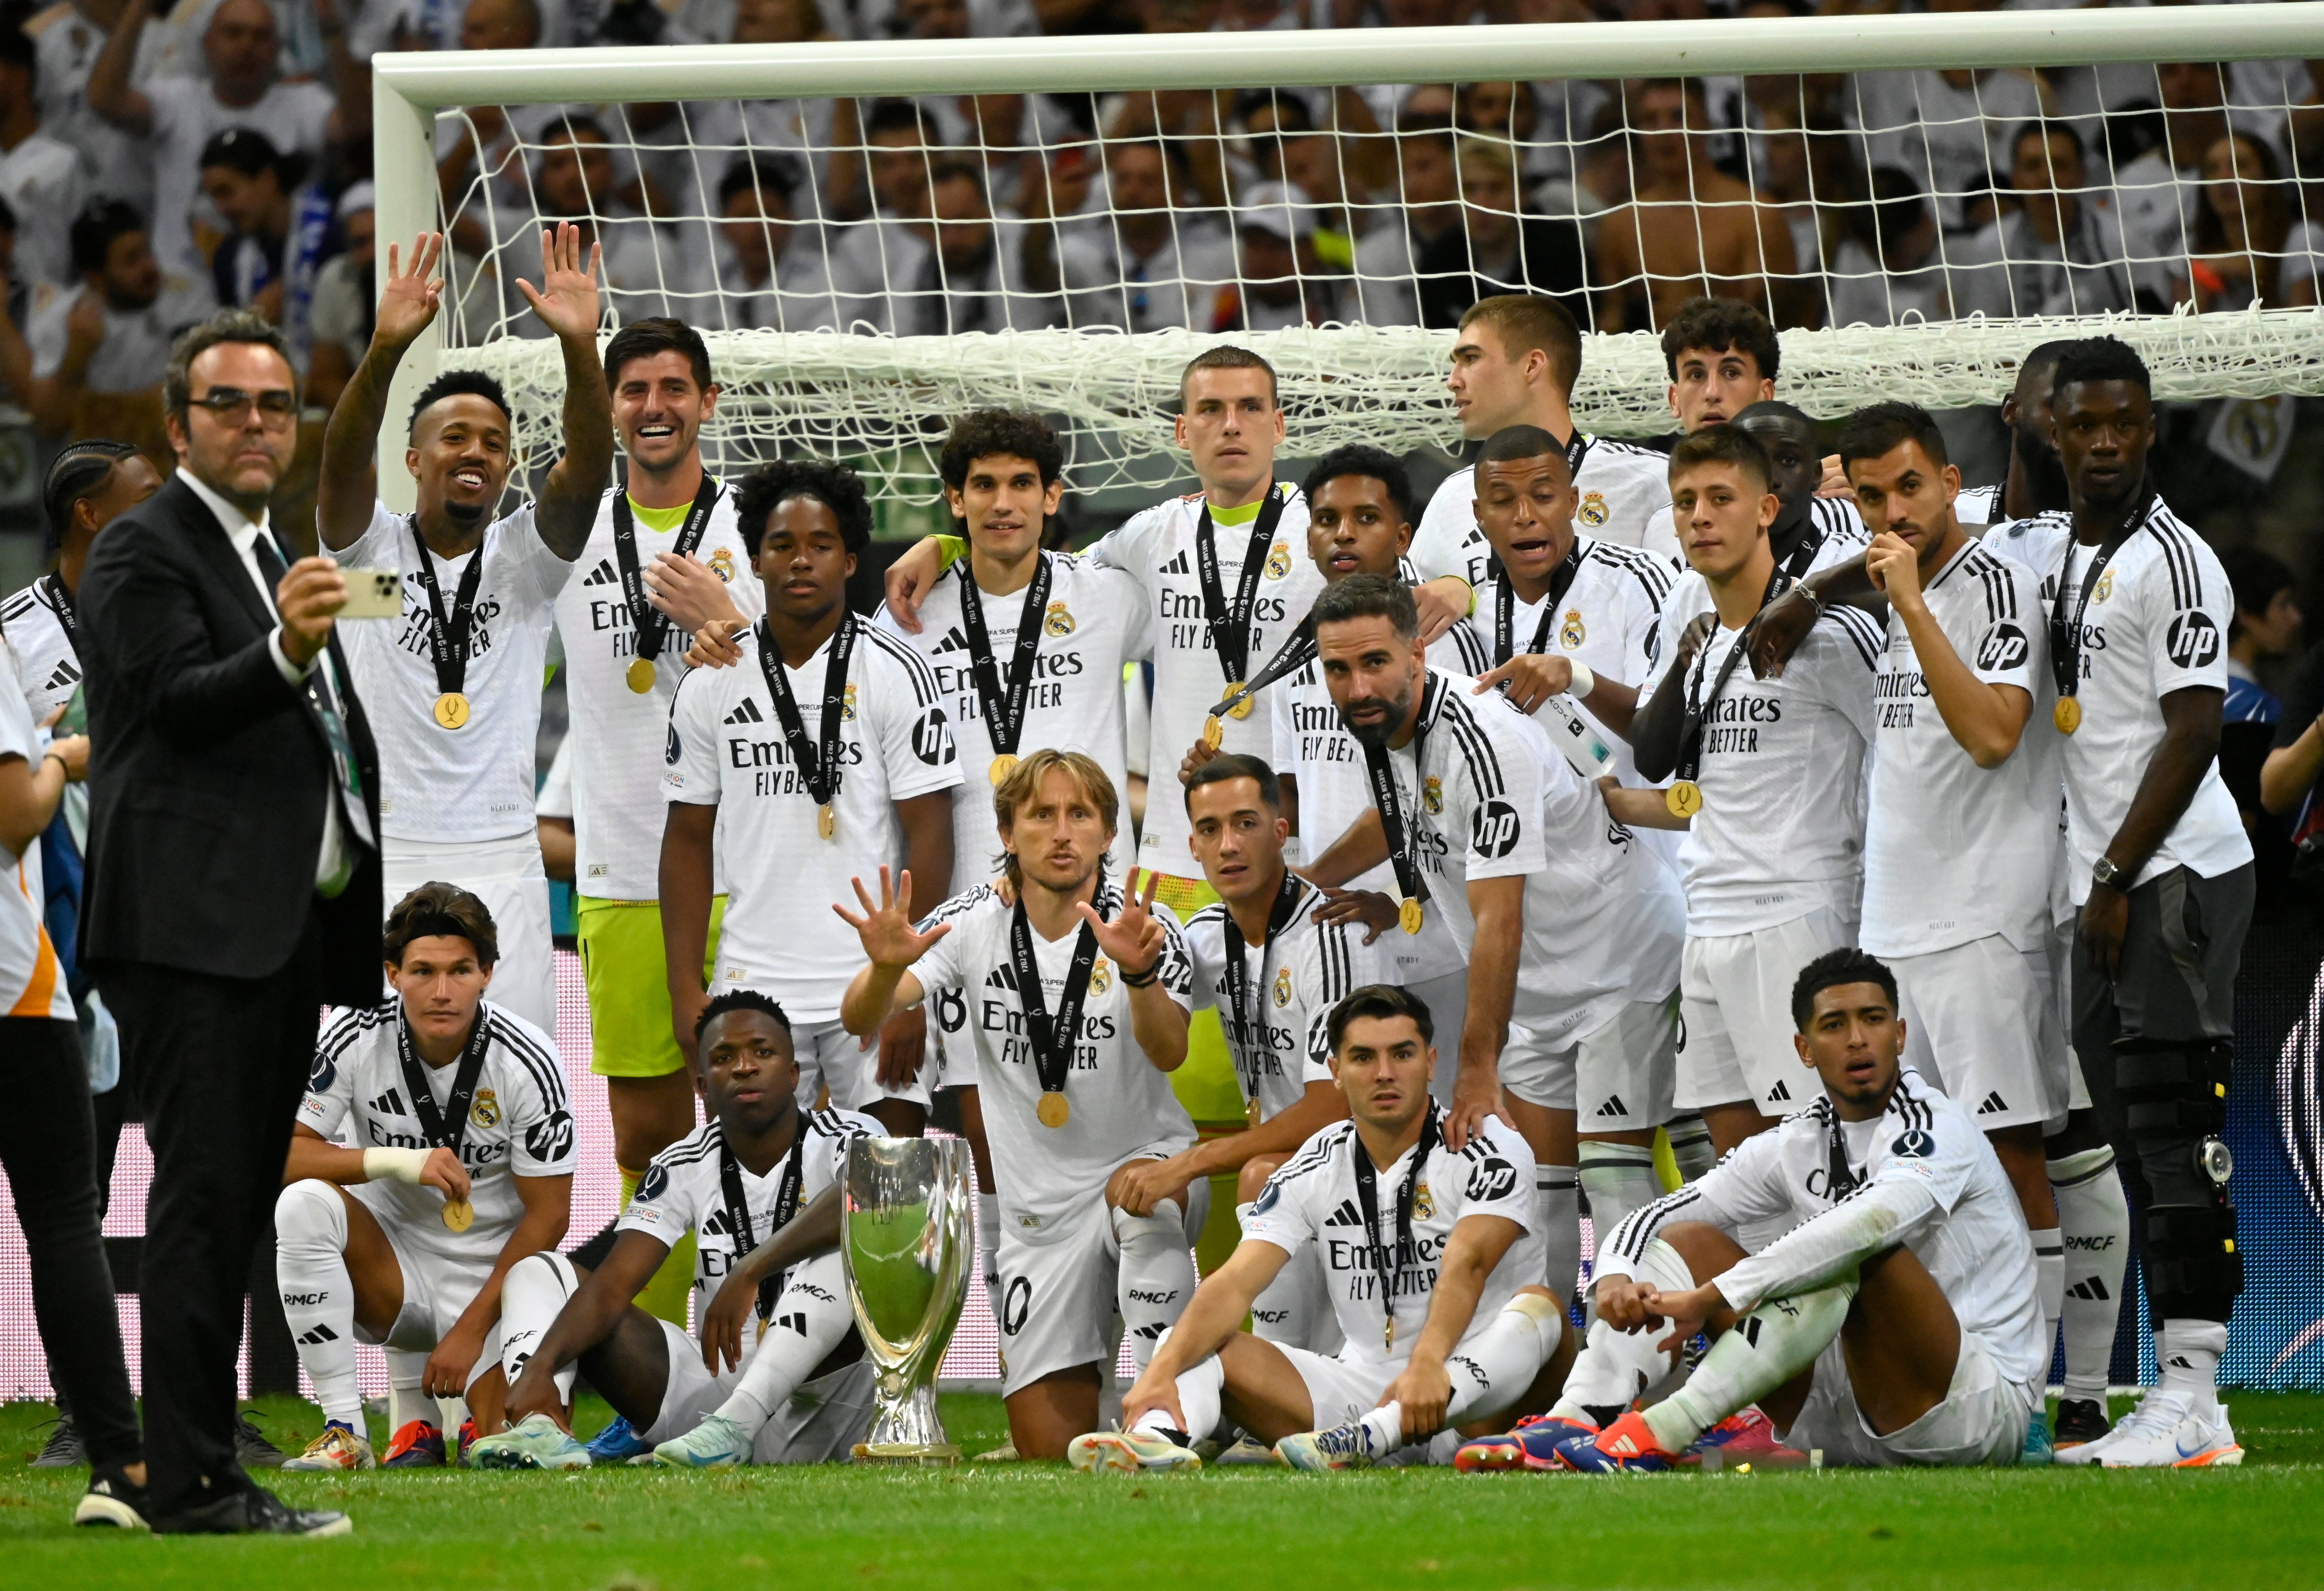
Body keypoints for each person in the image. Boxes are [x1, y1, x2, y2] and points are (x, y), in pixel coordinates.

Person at [78, 307, 378, 1536]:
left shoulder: (265, 547)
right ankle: (190, 1481)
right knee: (202, 1202)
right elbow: (179, 704)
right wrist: (292, 645)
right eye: (228, 404)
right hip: (192, 933)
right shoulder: (141, 548)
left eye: (273, 404)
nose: (257, 423)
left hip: (267, 932)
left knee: (230, 1198)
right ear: (177, 423)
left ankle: (192, 1462)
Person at [1302, 575, 1684, 1311]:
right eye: (1337, 670)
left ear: (1417, 651)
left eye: (1375, 662)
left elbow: (1499, 915)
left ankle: (1642, 1388)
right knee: (1539, 1198)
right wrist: (1312, 881)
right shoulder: (1383, 724)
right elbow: (1399, 817)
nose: (1356, 686)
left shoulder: (1484, 736)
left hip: (1621, 964)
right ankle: (1560, 1378)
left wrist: (1477, 1066)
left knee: (1610, 1177)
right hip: (1541, 994)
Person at [834, 750, 1197, 1461]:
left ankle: (1161, 1413)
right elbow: (860, 1018)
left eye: (1080, 815)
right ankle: (1104, 1412)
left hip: (1150, 1167)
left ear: (1105, 833)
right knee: (1045, 1447)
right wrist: (881, 970)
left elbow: (1171, 1051)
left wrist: (1139, 972)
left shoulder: (1145, 924)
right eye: (1041, 815)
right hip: (1040, 1222)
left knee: (1140, 1200)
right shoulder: (971, 920)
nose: (1061, 833)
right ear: (1006, 831)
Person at [1551, 950, 2046, 1472]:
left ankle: (1664, 1429)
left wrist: (1713, 1297)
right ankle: (1577, 1417)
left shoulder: (1939, 1128)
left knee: (1857, 1249)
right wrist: (1611, 1277)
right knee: (1690, 1240)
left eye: (1873, 1020)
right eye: (1835, 1025)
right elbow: (1658, 1214)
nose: (1857, 1039)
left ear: (1900, 1036)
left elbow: (1867, 1224)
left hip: (1968, 1414)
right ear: (1804, 1049)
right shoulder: (1797, 1138)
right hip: (1837, 1420)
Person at [2033, 339, 2254, 1468]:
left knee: (2176, 1132)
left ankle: (2188, 1397)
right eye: (2086, 424)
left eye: (2125, 421)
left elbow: (2190, 731)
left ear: (2150, 427)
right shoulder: (2070, 551)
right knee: (2135, 1136)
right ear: (2053, 430)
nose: (2107, 440)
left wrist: (2114, 875)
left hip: (2170, 871)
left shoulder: (2178, 560)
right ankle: (2181, 1396)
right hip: (2106, 881)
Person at [872, 406, 1148, 1304]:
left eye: (1022, 485)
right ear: (952, 499)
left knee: (1111, 1125)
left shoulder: (1108, 593)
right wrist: (912, 946)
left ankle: (1131, 1361)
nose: (1003, 503)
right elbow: (894, 791)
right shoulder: (904, 617)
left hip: (1099, 913)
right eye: (982, 486)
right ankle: (1021, 1340)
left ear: (1054, 496)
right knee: (989, 1144)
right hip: (970, 919)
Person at [1840, 401, 2070, 1461]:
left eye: (1911, 488)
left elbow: (1989, 735)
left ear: (1949, 478)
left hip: (1983, 918)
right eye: (1874, 494)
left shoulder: (1995, 581)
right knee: (1921, 1170)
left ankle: (2053, 1393)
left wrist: (1912, 604)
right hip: (1893, 921)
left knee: (2013, 1155)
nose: (1895, 512)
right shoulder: (1875, 585)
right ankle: (1963, 1381)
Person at [1070, 984, 1565, 1473]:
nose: (1385, 1074)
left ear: (1432, 1063)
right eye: (1364, 1058)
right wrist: (1160, 1373)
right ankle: (1155, 1439)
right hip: (1362, 1398)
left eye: (1403, 1054)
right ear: (1335, 1072)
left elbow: (1469, 1263)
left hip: (1478, 1405)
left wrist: (1428, 1366)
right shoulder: (1318, 1162)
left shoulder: (1487, 1143)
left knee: (1542, 1310)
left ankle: (1379, 1435)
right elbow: (1236, 1283)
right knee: (1185, 1340)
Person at [313, 226, 612, 1033]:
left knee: (518, 1086)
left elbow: (586, 473)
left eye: (494, 443)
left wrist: (581, 349)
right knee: (377, 1097)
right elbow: (340, 467)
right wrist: (383, 349)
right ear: (413, 460)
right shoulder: (370, 562)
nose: (476, 452)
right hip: (387, 847)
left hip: (502, 856)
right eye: (455, 438)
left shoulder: (524, 565)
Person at [551, 315, 760, 1331]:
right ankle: (674, 1357)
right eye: (633, 389)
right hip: (624, 872)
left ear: (708, 401)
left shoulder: (757, 527)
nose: (654, 407)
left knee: (764, 1117)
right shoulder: (566, 531)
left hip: (752, 874)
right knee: (646, 1126)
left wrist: (739, 618)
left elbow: (824, 671)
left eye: (675, 387)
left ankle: (781, 1347)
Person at [663, 458, 961, 1135]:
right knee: (758, 1200)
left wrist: (913, 985)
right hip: (752, 983)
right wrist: (686, 988)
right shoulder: (713, 676)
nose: (801, 562)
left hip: (874, 981)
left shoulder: (895, 669)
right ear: (756, 560)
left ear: (850, 560)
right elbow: (684, 840)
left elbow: (932, 832)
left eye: (820, 545)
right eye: (782, 546)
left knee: (890, 1197)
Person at [1455, 424, 1705, 1224]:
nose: (1526, 516)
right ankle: (1565, 1357)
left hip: (1629, 926)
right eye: (1504, 501)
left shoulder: (1639, 582)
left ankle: (1670, 1342)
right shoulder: (1453, 610)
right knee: (1541, 1195)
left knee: (1622, 1176)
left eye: (1542, 496)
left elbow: (1665, 743)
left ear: (1574, 501)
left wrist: (1577, 676)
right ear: (1478, 513)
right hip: (1527, 944)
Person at [469, 991, 881, 1471]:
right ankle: (540, 1428)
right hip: (705, 1412)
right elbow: (612, 1287)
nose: (745, 1067)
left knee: (849, 1242)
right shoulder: (682, 1162)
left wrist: (752, 1268)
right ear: (703, 1084)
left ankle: (739, 1426)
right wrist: (542, 1364)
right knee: (537, 1272)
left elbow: (870, 1192)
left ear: (794, 1075)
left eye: (763, 1052)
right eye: (725, 1057)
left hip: (822, 1402)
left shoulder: (849, 1134)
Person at [1628, 426, 1881, 1152]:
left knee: (1822, 1158)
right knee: (1737, 1170)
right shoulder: (1693, 626)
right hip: (1706, 918)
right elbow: (1656, 756)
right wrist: (1686, 659)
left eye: (1719, 498)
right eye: (1684, 502)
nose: (1699, 517)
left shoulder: (1830, 633)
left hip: (1797, 915)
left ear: (1767, 508)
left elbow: (1905, 760)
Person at [273, 882, 576, 1471]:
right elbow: (280, 1156)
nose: (442, 992)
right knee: (302, 1203)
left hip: (495, 1282)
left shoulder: (526, 1058)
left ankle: (460, 1419)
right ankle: (345, 1433)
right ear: (392, 972)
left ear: (488, 972)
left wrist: (467, 1329)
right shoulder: (355, 1029)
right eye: (422, 971)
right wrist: (400, 1160)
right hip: (394, 1273)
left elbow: (551, 1216)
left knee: (510, 1448)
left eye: (461, 970)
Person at [0, 527, 145, 1530]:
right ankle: (119, 1463)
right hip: (13, 986)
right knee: (63, 1218)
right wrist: (59, 754)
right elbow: (15, 812)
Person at [1263, 445, 1486, 1080]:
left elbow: (1429, 794)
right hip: (1335, 929)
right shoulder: (1297, 647)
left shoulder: (1437, 643)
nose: (1343, 533)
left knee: (1440, 1132)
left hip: (1431, 928)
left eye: (1365, 518)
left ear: (1402, 533)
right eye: (1326, 518)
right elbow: (1293, 783)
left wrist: (1298, 887)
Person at [1168, 755, 1388, 1371]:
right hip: (1310, 1163)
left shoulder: (1331, 932)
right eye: (1209, 830)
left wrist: (1193, 1160)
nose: (1228, 844)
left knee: (1261, 1175)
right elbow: (1150, 1018)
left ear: (1279, 830)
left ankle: (1283, 1386)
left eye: (1244, 823)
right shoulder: (1208, 932)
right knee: (1165, 1180)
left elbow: (1334, 1107)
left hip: (1384, 1159)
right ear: (1192, 845)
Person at [1413, 297, 1679, 593]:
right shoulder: (1450, 499)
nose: (1453, 381)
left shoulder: (1653, 482)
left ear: (1532, 365)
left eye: (1471, 358)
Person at [86, 0, 344, 294]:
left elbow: (356, 125)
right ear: (206, 42)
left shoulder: (304, 103)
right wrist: (138, 8)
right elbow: (104, 100)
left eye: (261, 36)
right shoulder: (177, 100)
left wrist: (334, 30)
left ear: (277, 47)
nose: (247, 46)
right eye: (233, 33)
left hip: (280, 289)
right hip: (179, 297)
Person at [1593, 79, 1797, 332]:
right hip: (1647, 366)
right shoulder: (1620, 224)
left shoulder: (1755, 215)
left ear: (1706, 125)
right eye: (1650, 120)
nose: (1664, 131)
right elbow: (1612, 323)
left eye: (1678, 117)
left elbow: (1787, 322)